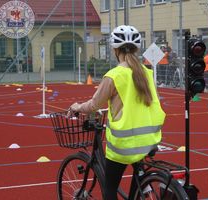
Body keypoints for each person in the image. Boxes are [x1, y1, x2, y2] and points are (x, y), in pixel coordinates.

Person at [69, 25, 166, 200]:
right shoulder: (147, 72)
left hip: (124, 145)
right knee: (136, 176)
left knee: (110, 188)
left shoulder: (114, 75)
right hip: (149, 139)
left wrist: (77, 107)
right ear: (136, 48)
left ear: (115, 49)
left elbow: (94, 104)